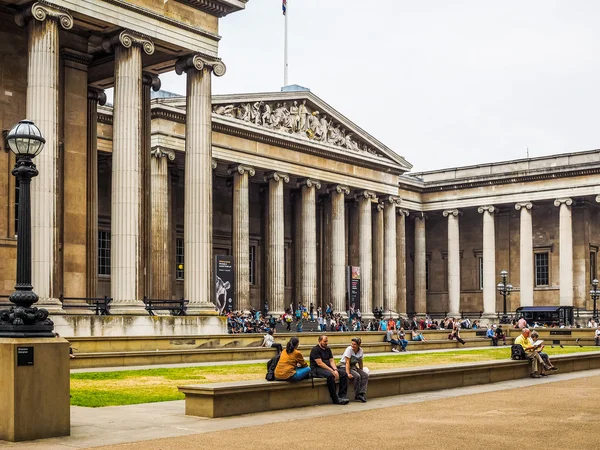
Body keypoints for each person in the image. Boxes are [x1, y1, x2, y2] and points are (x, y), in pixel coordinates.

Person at [310, 335, 349, 405]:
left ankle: (342, 395)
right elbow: (320, 363)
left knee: (344, 374)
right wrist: (332, 371)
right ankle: (335, 398)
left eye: (327, 341)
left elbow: (331, 361)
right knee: (330, 376)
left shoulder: (328, 349)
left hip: (327, 368)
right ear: (319, 341)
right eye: (325, 341)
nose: (326, 343)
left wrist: (335, 369)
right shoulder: (315, 350)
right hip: (317, 369)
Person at [339, 337, 368, 402]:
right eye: (352, 344)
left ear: (358, 345)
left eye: (354, 344)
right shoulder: (349, 349)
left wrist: (361, 370)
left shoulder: (361, 351)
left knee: (365, 375)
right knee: (357, 376)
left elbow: (360, 362)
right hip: (344, 366)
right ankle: (357, 394)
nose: (352, 346)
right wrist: (348, 373)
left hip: (353, 366)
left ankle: (362, 393)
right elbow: (347, 362)